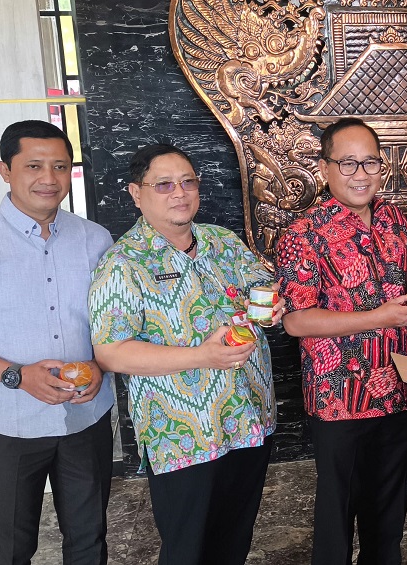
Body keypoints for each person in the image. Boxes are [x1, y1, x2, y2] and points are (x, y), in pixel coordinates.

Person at [89, 143, 282, 565]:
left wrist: (272, 305)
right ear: (136, 193)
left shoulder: (221, 241)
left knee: (234, 539)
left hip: (248, 419)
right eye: (163, 185)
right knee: (188, 550)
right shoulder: (123, 264)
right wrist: (201, 356)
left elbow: (260, 290)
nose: (179, 192)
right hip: (185, 436)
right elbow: (111, 353)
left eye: (187, 181)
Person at [276, 117, 407, 564]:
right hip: (340, 397)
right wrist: (378, 316)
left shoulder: (391, 217)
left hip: (401, 387)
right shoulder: (302, 234)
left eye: (370, 162)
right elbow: (296, 321)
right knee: (336, 518)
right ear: (324, 168)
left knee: (388, 519)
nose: (361, 173)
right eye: (347, 163)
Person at [0, 120, 114, 564]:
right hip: (10, 425)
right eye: (34, 166)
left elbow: (115, 325)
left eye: (60, 166)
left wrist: (104, 365)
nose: (49, 178)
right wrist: (16, 375)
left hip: (86, 417)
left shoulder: (96, 241)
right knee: (8, 548)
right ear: (5, 170)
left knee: (89, 540)